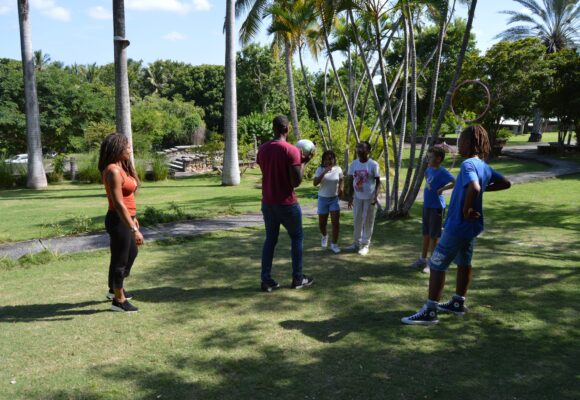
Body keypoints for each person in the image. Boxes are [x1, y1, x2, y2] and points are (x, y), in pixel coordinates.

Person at [402, 126, 511, 325]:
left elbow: (475, 187)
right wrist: (478, 194)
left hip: (458, 225)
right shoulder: (484, 166)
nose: (458, 145)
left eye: (461, 141)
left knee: (436, 264)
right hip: (470, 228)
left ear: (470, 143)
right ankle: (458, 302)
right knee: (464, 262)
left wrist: (466, 208)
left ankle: (430, 311)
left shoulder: (468, 164)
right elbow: (506, 183)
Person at [257, 115, 314, 292]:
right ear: (287, 129)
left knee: (270, 240)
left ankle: (266, 280)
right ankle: (298, 278)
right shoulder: (291, 150)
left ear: (273, 128)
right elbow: (296, 182)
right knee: (297, 238)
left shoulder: (263, 149)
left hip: (268, 202)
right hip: (287, 203)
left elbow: (269, 171)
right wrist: (305, 163)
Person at [98, 133, 144, 313]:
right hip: (118, 220)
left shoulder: (121, 167)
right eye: (127, 147)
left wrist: (133, 218)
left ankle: (114, 288)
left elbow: (128, 198)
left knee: (130, 254)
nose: (129, 150)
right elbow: (118, 204)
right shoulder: (113, 171)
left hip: (126, 218)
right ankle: (118, 300)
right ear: (117, 149)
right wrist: (133, 229)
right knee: (121, 259)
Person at [410, 146, 455, 273]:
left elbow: (454, 182)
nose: (428, 159)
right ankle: (422, 259)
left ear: (439, 158)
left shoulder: (442, 171)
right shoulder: (428, 170)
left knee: (434, 236)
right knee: (425, 234)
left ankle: (432, 262)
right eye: (428, 156)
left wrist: (442, 189)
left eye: (430, 157)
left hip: (437, 207)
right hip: (427, 205)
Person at [345, 141, 380, 256]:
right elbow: (350, 180)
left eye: (362, 148)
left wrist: (375, 196)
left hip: (369, 197)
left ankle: (365, 245)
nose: (359, 150)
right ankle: (356, 243)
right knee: (357, 220)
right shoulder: (354, 164)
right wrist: (350, 196)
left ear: (368, 151)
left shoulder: (373, 164)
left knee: (368, 221)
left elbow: (378, 181)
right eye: (358, 148)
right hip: (357, 197)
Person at [313, 150, 344, 254]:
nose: (328, 161)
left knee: (336, 224)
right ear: (323, 160)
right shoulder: (320, 169)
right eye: (326, 159)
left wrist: (341, 189)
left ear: (334, 159)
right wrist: (325, 171)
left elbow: (341, 179)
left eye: (330, 158)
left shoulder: (338, 169)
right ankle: (324, 235)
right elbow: (315, 183)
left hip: (334, 199)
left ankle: (334, 244)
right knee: (322, 224)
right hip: (322, 199)